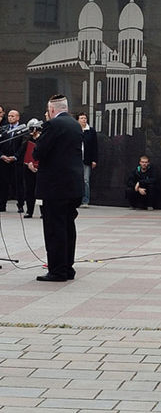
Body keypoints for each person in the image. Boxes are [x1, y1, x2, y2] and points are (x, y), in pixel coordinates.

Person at [33, 95, 84, 282]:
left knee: (55, 230)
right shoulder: (74, 124)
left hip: (55, 187)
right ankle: (67, 267)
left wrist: (39, 137)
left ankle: (57, 270)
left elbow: (39, 152)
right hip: (72, 186)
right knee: (68, 228)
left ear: (52, 110)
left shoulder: (53, 125)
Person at [15, 120, 42, 218]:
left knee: (39, 191)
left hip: (40, 168)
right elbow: (23, 152)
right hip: (28, 167)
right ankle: (29, 211)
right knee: (29, 190)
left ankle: (43, 212)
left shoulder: (42, 139)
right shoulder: (27, 139)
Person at [0, 109, 25, 213]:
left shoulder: (22, 129)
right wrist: (1, 155)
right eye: (9, 116)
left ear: (18, 117)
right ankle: (2, 204)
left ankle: (20, 204)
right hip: (4, 160)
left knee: (18, 184)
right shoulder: (3, 129)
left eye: (13, 116)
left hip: (16, 161)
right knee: (3, 184)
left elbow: (23, 145)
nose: (10, 118)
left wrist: (15, 157)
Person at [78, 112, 98, 207]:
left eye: (85, 118)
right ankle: (77, 200)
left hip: (87, 159)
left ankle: (85, 200)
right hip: (76, 159)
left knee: (85, 180)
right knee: (77, 180)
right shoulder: (75, 130)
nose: (84, 120)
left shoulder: (91, 131)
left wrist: (94, 159)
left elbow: (95, 146)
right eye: (81, 118)